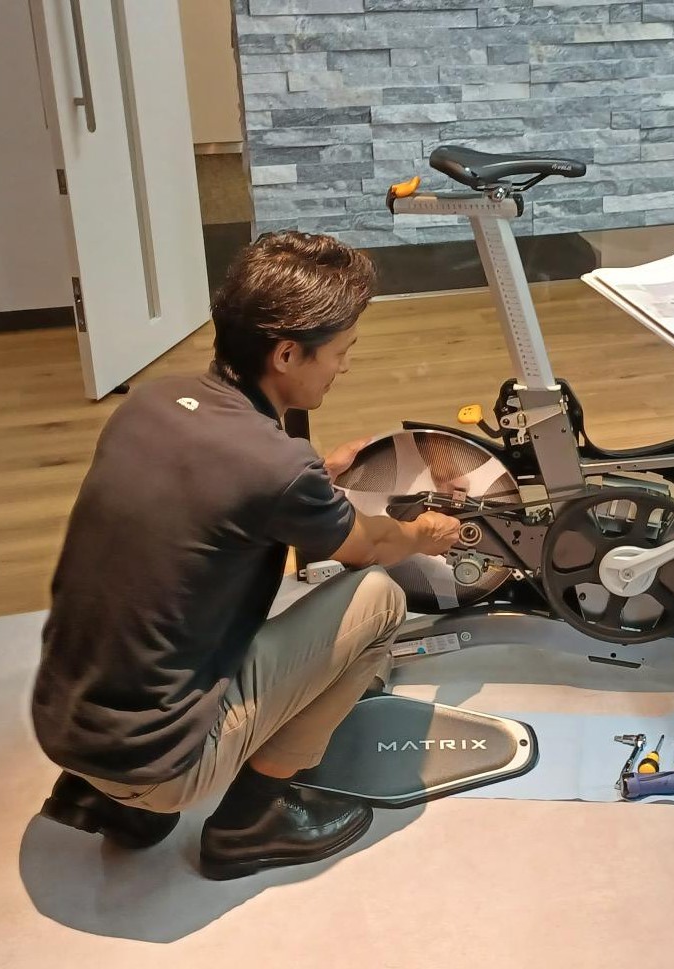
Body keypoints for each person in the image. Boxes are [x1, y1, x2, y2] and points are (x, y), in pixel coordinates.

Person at [33, 232, 461, 880]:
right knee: (379, 601)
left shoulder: (151, 402)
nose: (344, 367)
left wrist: (317, 476)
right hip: (157, 763)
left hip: (66, 723)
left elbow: (216, 496)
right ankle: (254, 817)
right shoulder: (274, 469)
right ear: (287, 353)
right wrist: (422, 532)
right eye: (340, 351)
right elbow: (370, 548)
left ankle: (113, 803)